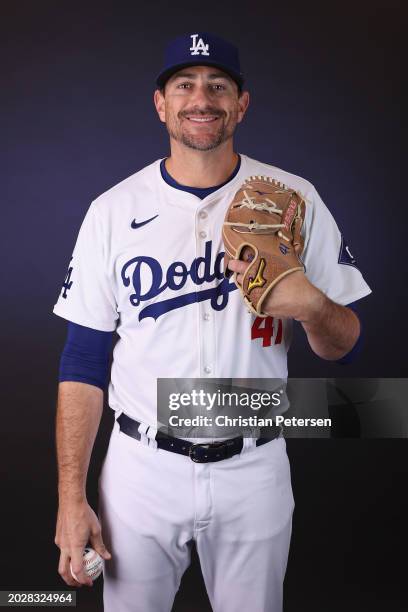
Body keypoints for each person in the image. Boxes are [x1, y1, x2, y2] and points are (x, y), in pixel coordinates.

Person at [53, 32, 371, 612]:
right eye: (185, 85)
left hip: (256, 466)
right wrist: (70, 497)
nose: (202, 98)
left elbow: (345, 347)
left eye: (219, 85)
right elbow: (82, 360)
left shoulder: (294, 200)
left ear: (241, 104)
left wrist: (312, 306)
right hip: (140, 471)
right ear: (161, 103)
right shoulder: (112, 211)